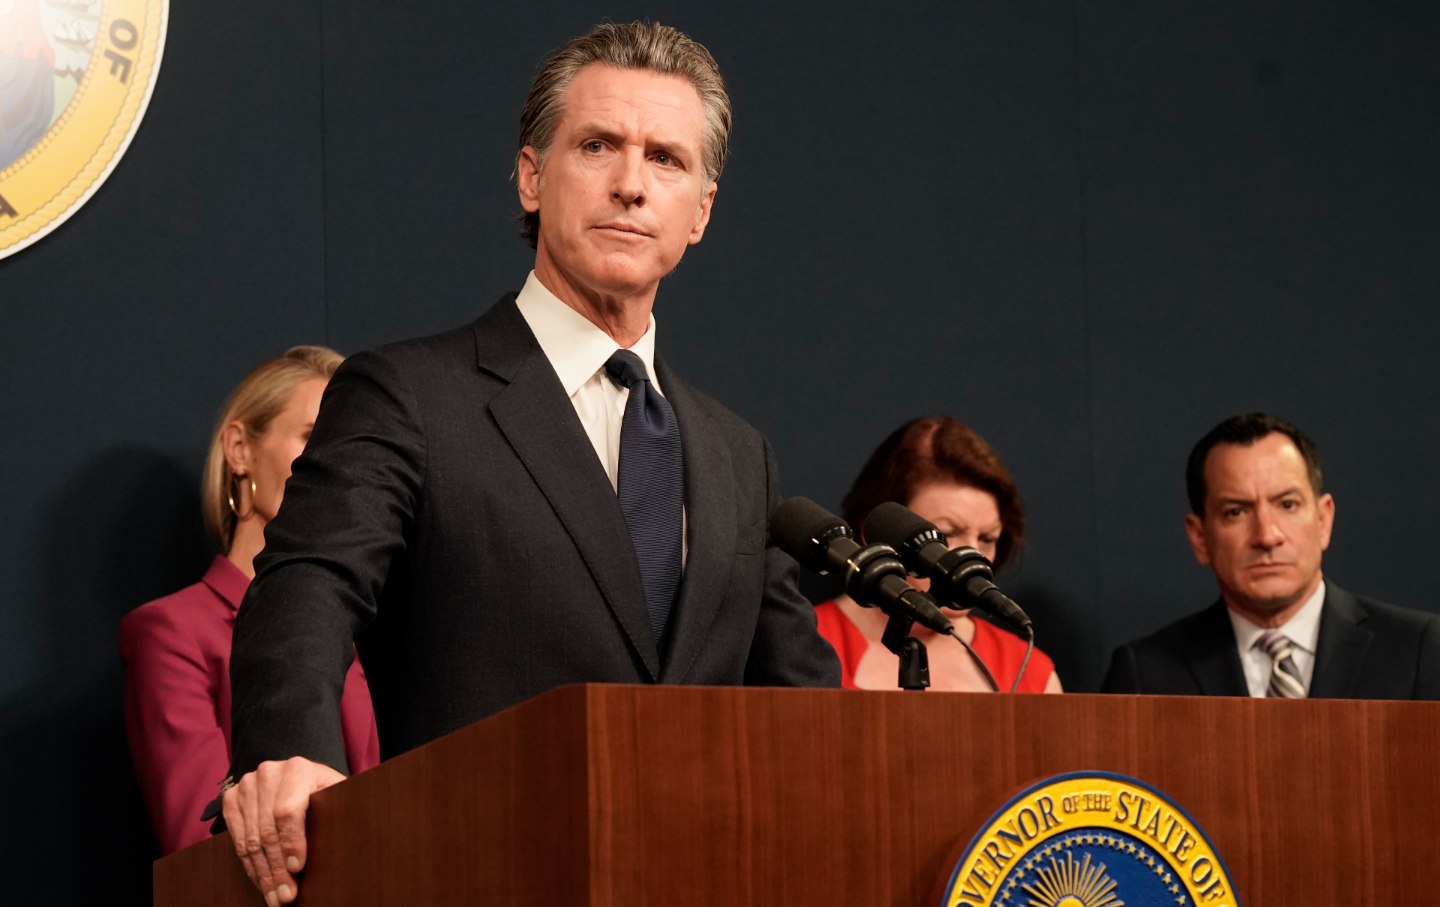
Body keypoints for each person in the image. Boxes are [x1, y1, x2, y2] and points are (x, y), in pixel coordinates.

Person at [220, 21, 840, 906]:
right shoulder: (410, 395)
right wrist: (292, 753)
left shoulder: (740, 455)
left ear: (701, 210)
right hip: (478, 868)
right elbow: (306, 587)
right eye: (598, 146)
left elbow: (802, 707)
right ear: (531, 176)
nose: (631, 184)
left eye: (666, 159)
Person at [119, 347, 379, 855]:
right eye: (313, 436)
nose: (334, 462)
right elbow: (200, 844)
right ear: (239, 448)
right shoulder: (172, 632)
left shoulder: (369, 632)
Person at [1102, 412, 1440, 699]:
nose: (1266, 535)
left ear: (1324, 520)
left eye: (1287, 505)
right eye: (1236, 512)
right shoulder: (1145, 676)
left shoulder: (1422, 651)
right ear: (1200, 536)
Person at [814, 416, 1062, 693]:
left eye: (987, 538)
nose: (972, 557)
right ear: (874, 530)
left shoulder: (1027, 668)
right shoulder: (804, 643)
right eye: (946, 534)